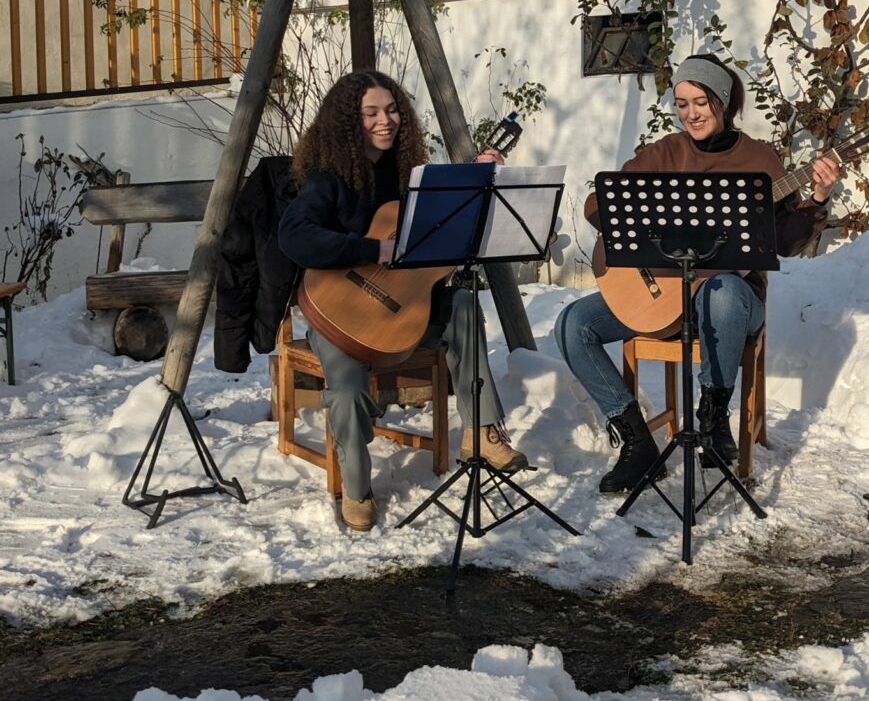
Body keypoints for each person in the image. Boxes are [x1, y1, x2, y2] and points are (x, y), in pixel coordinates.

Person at [554, 54, 840, 494]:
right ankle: (636, 441)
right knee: (574, 324)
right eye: (682, 103)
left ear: (722, 102)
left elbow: (785, 241)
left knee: (721, 290)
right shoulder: (667, 151)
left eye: (700, 102)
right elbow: (601, 205)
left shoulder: (760, 160)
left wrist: (818, 196)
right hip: (663, 296)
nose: (691, 113)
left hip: (734, 303)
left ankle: (712, 421)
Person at [277, 70, 528, 532]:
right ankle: (356, 486)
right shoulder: (325, 180)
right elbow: (295, 237)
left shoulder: (410, 177)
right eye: (370, 112)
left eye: (392, 110)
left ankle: (482, 432)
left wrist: (475, 188)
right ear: (346, 122)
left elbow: (441, 237)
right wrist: (373, 250)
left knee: (465, 307)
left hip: (402, 312)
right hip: (342, 315)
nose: (385, 120)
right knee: (349, 388)